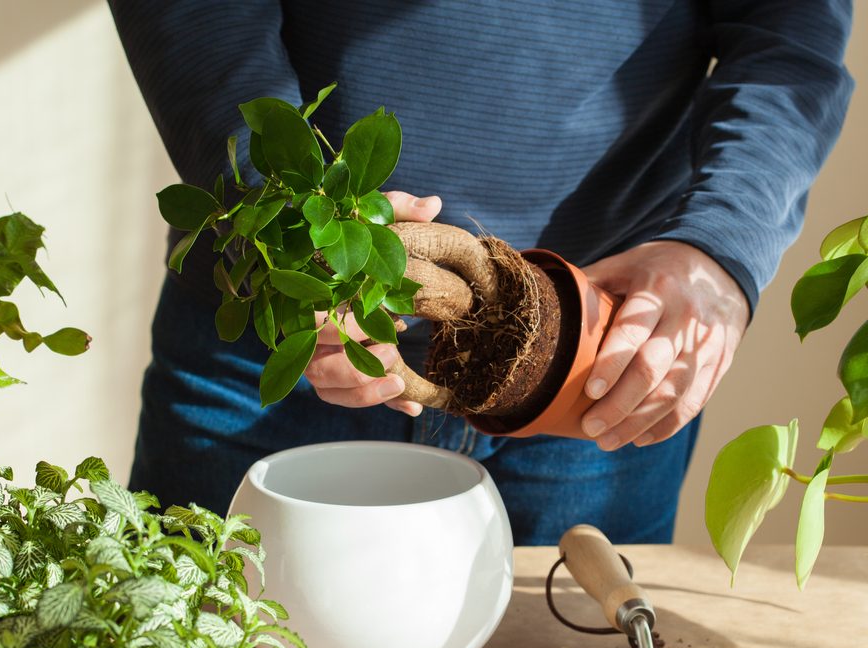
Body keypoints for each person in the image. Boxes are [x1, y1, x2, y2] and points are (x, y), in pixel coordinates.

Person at [107, 1, 853, 545]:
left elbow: (789, 34)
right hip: (275, 341)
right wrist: (283, 214)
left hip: (603, 366)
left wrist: (719, 246)